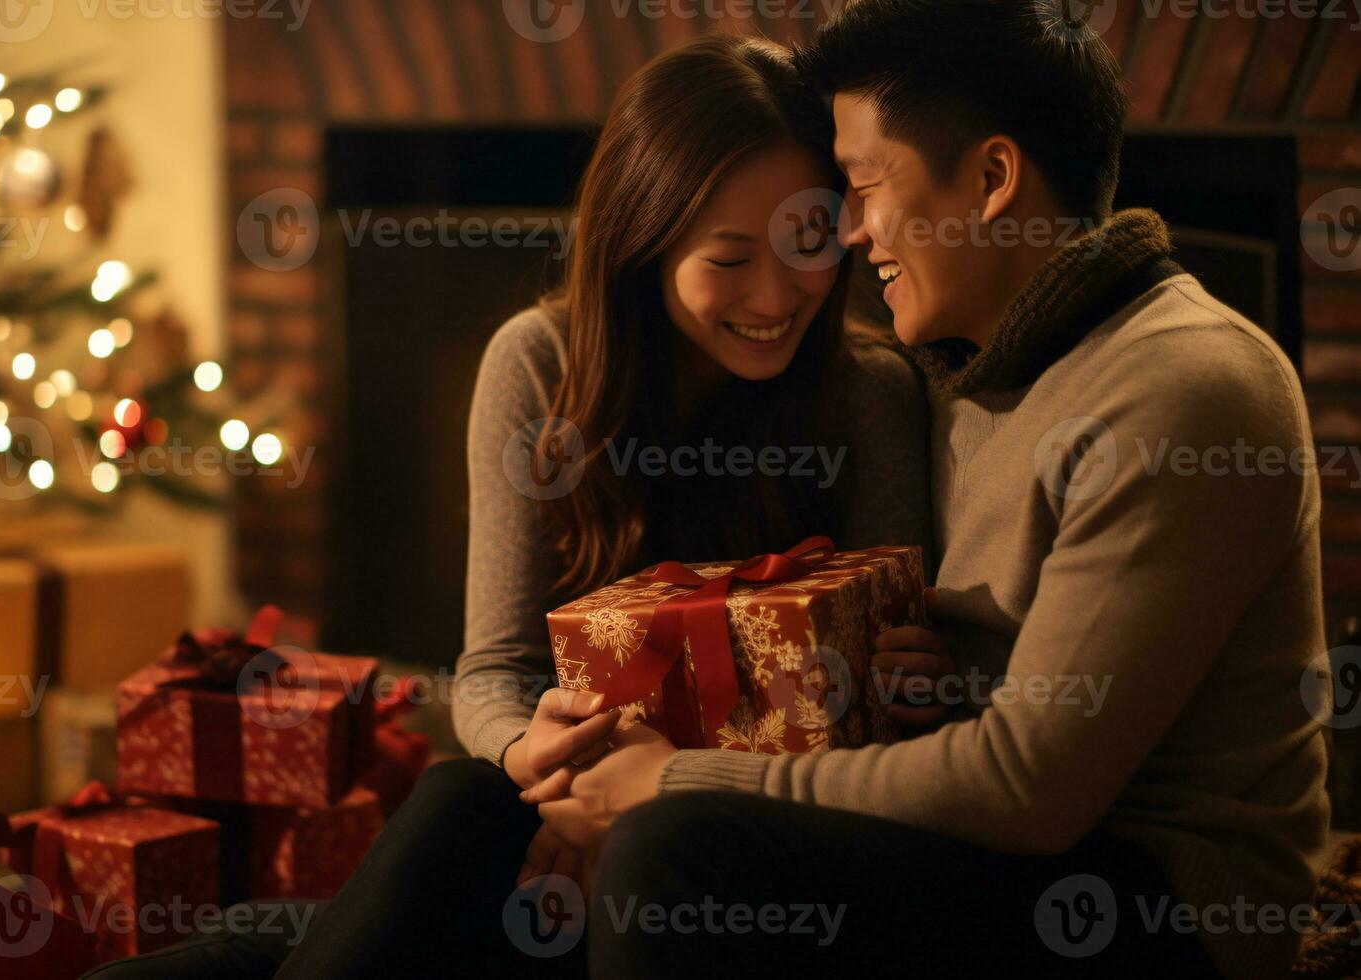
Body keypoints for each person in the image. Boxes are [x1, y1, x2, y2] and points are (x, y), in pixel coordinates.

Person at [82, 32, 937, 980]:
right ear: (645, 240)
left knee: (415, 858)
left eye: (809, 243)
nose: (779, 295)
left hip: (748, 846)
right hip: (557, 818)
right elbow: (494, 672)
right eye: (728, 259)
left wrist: (908, 676)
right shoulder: (537, 365)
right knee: (440, 813)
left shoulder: (870, 394)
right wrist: (548, 767)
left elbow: (897, 698)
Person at [526, 4, 1326, 979]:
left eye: (862, 186)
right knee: (466, 810)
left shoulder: (1182, 385)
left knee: (677, 845)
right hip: (1014, 849)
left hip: (1160, 904)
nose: (851, 235)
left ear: (992, 178)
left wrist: (675, 777)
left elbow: (1027, 784)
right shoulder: (977, 370)